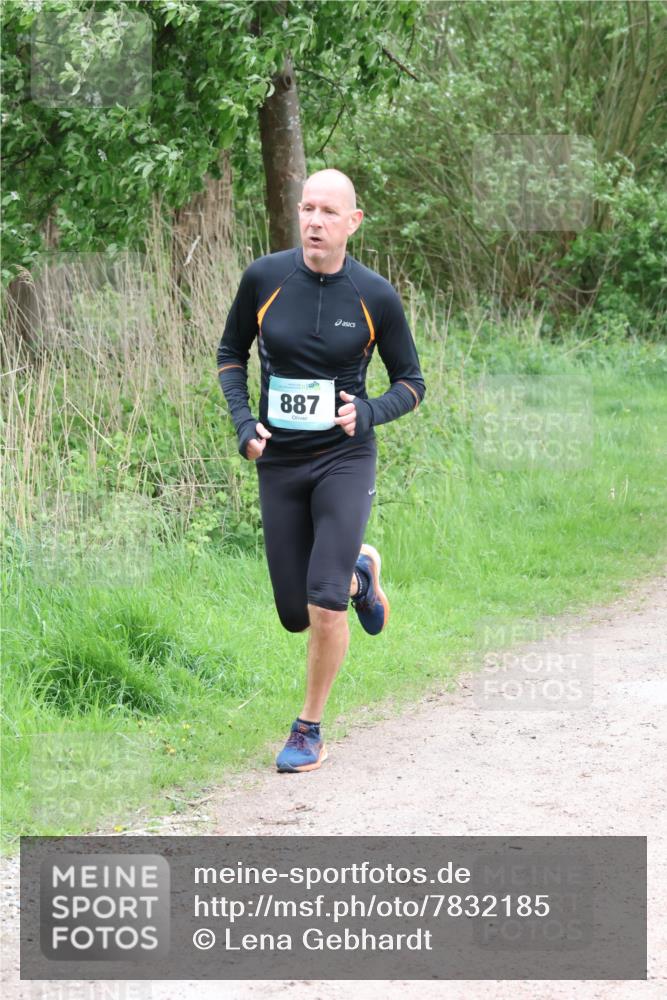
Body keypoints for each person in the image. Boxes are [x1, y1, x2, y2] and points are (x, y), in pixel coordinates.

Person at [216, 168, 425, 773]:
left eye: (329, 212)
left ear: (353, 223)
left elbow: (412, 383)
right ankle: (361, 573)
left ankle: (308, 728)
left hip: (343, 457)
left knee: (324, 602)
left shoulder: (375, 295)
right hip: (279, 461)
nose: (314, 221)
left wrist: (367, 411)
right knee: (293, 611)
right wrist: (242, 424)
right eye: (307, 209)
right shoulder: (264, 278)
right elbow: (231, 355)